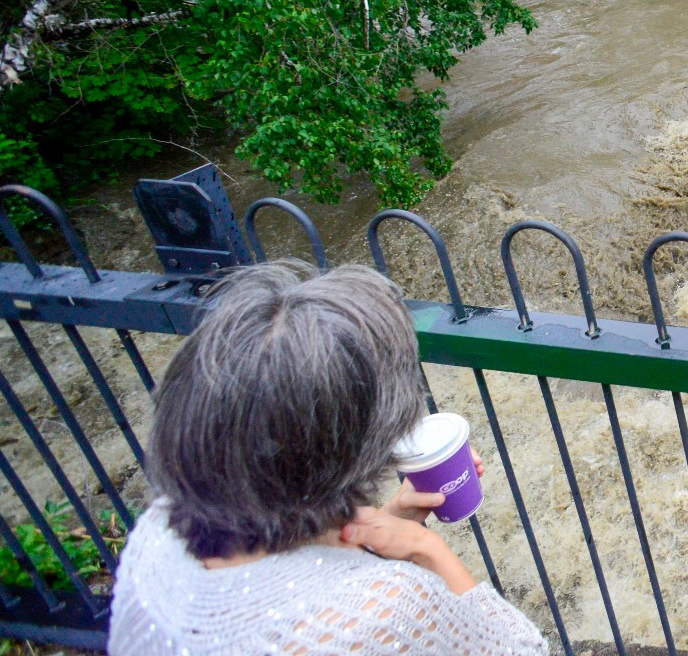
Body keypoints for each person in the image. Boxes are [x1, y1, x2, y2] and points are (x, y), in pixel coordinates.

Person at [110, 262, 547, 655]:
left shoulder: (158, 534)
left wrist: (384, 521)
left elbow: (292, 574)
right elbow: (522, 650)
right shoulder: (381, 610)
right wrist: (424, 548)